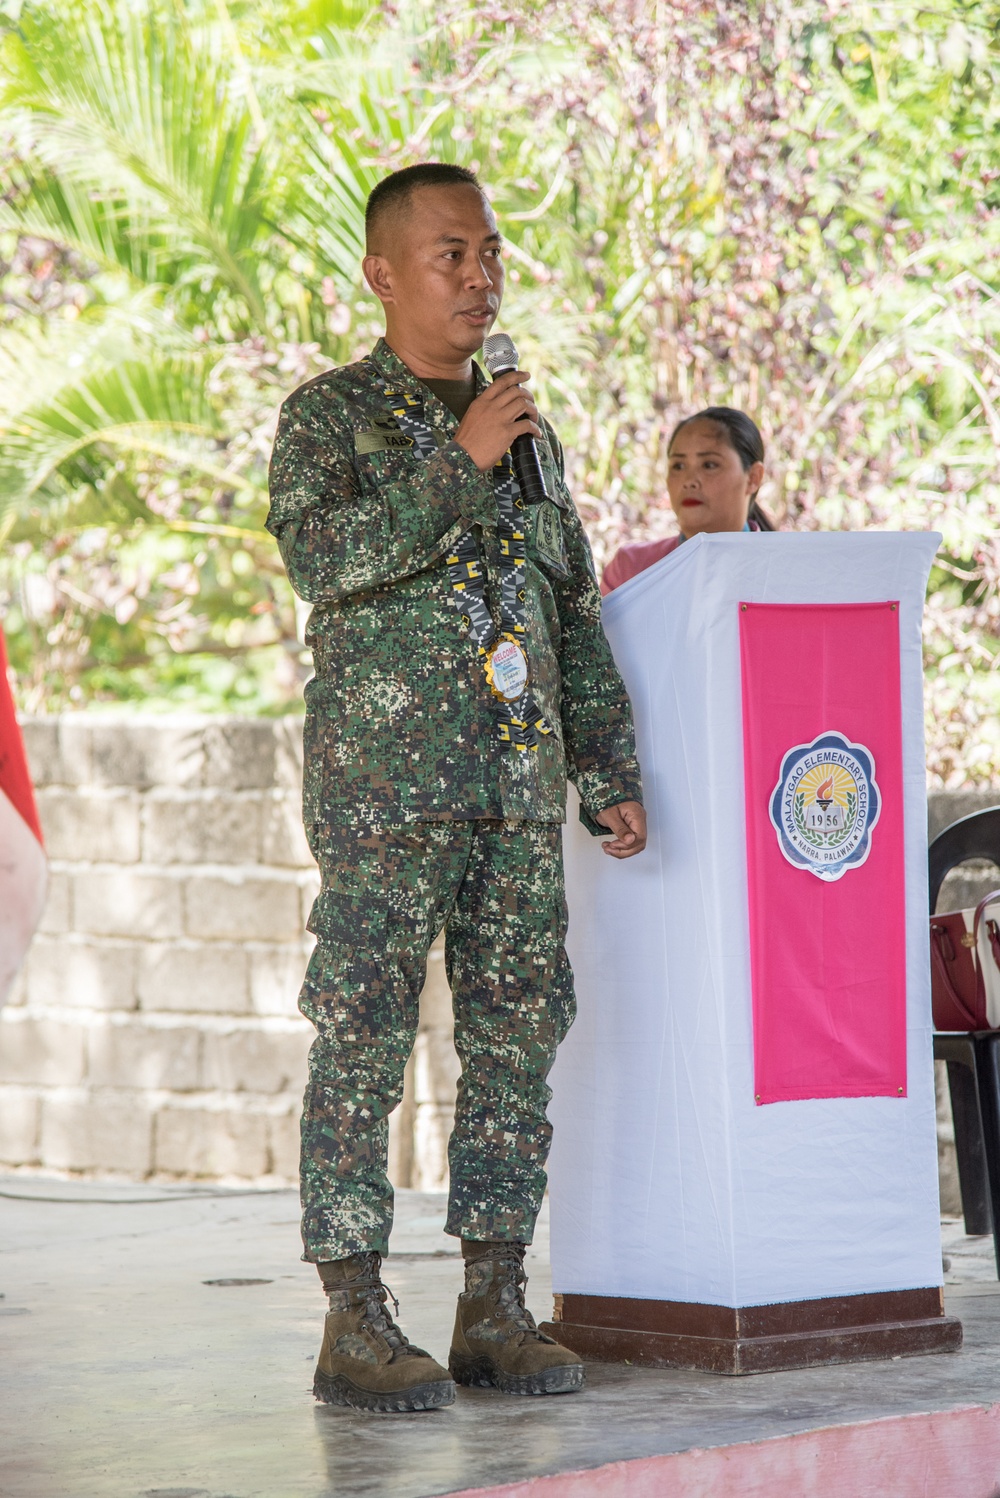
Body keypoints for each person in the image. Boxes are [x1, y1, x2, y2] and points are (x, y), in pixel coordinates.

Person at [266, 162, 647, 1414]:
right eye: (450, 255)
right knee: (365, 1041)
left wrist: (606, 763)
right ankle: (353, 1315)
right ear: (383, 274)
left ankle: (491, 1302)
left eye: (489, 253)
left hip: (512, 788)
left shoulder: (522, 426)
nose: (480, 275)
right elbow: (325, 561)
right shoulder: (332, 416)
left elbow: (568, 606)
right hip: (388, 794)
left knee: (512, 1043)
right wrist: (456, 461)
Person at [602, 407, 774, 595]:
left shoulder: (784, 572)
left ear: (753, 478)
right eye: (678, 466)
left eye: (709, 465)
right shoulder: (631, 571)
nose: (689, 481)